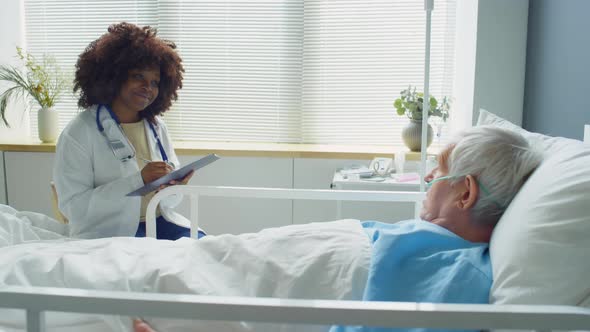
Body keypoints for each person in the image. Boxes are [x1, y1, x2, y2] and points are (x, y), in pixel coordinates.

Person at [129, 126, 543, 332]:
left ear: (465, 194)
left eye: (439, 172)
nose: (429, 179)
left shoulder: (454, 278)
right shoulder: (433, 246)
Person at [53, 22, 199, 240]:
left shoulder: (157, 127)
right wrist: (138, 180)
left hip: (160, 222)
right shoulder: (79, 132)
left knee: (206, 251)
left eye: (155, 82)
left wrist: (173, 186)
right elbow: (74, 208)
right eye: (138, 76)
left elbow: (168, 200)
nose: (147, 88)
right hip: (113, 233)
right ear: (115, 76)